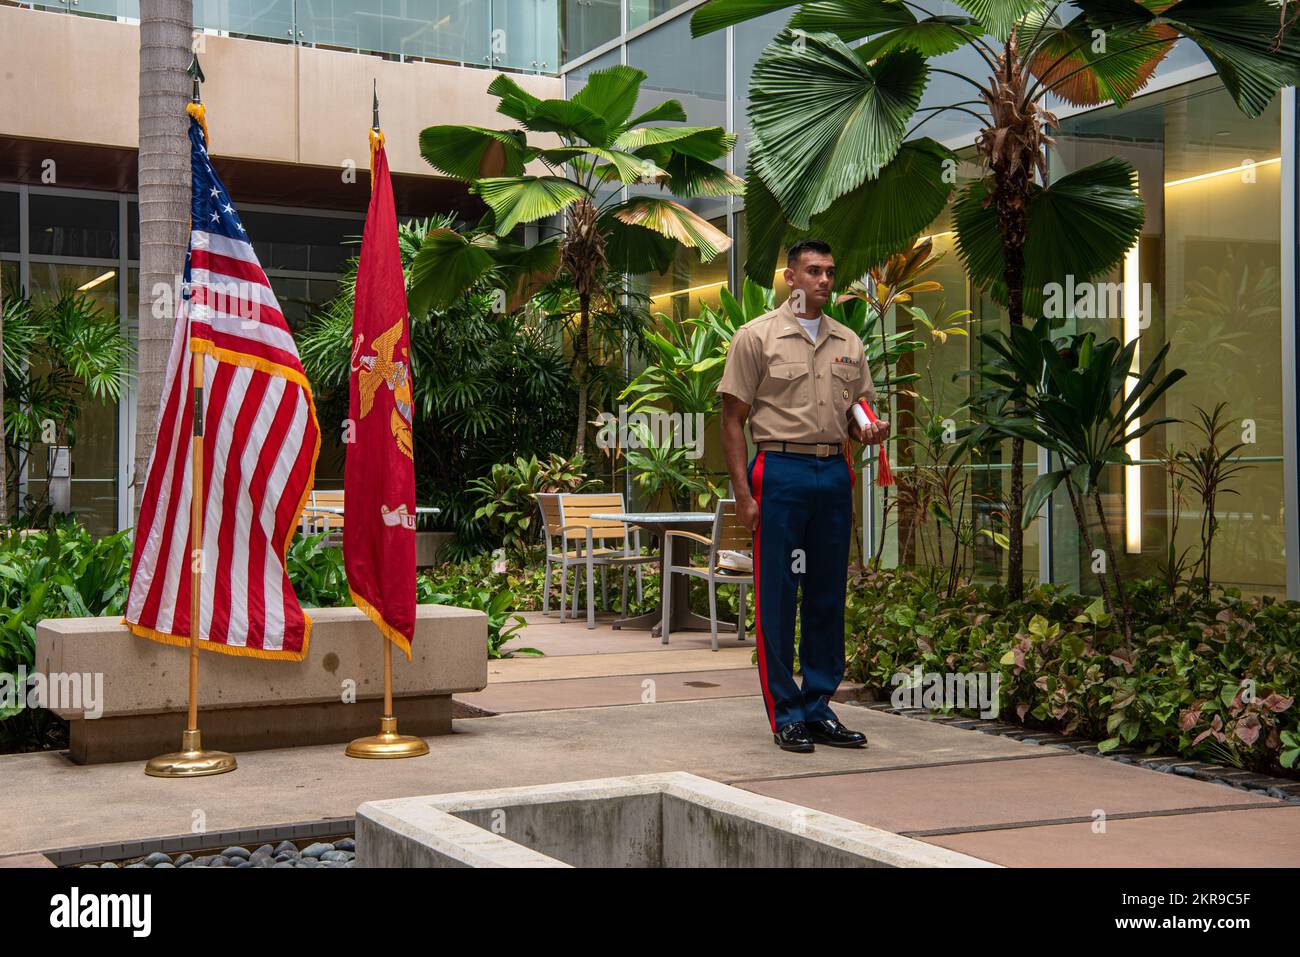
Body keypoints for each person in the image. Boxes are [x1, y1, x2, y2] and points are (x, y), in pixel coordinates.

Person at [717, 239, 890, 753]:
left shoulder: (848, 342)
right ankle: (786, 713)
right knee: (778, 593)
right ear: (790, 277)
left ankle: (818, 707)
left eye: (830, 272)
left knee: (827, 593)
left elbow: (859, 411)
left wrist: (869, 430)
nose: (823, 280)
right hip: (781, 470)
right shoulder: (757, 337)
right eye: (813, 271)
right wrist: (744, 496)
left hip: (832, 473)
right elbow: (731, 422)